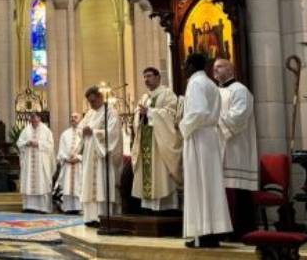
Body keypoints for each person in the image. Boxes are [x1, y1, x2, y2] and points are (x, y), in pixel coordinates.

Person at [180, 53, 232, 248]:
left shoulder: (195, 83)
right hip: (209, 137)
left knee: (199, 183)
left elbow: (198, 112)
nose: (184, 68)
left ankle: (202, 233)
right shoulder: (210, 83)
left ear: (193, 65)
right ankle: (213, 232)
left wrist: (183, 126)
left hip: (199, 136)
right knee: (210, 185)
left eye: (186, 64)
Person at [214, 58, 259, 239]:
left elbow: (238, 116)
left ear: (231, 70)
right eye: (214, 67)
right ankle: (223, 230)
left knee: (237, 190)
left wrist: (213, 120)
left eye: (220, 66)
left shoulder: (240, 90)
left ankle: (242, 230)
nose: (215, 70)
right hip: (218, 147)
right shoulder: (215, 92)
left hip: (236, 148)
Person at [132, 67, 182, 212]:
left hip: (161, 141)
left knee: (161, 173)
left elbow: (172, 114)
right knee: (147, 172)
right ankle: (148, 207)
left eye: (149, 76)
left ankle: (166, 207)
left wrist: (149, 112)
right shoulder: (144, 97)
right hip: (146, 139)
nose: (146, 79)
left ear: (158, 77)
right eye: (144, 77)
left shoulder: (167, 94)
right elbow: (137, 116)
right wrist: (139, 115)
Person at [79, 86, 122, 226]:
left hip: (102, 157)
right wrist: (83, 131)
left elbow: (113, 132)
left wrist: (94, 132)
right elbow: (80, 128)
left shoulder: (111, 112)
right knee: (89, 186)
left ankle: (102, 217)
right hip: (89, 155)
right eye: (89, 102)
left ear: (100, 97)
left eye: (93, 101)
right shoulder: (90, 113)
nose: (91, 105)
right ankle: (90, 217)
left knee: (101, 185)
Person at [16, 112, 54, 213]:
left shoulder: (46, 131)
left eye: (36, 119)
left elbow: (50, 146)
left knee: (41, 183)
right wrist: (26, 143)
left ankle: (42, 207)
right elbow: (19, 143)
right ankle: (28, 206)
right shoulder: (26, 130)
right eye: (32, 119)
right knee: (28, 182)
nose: (34, 121)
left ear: (39, 119)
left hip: (41, 162)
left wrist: (38, 143)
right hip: (29, 162)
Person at [55, 112, 85, 214]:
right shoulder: (65, 134)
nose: (73, 119)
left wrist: (79, 158)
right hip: (67, 165)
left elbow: (87, 149)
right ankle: (68, 208)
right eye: (71, 117)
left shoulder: (84, 133)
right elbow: (61, 149)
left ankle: (79, 208)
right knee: (67, 187)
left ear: (80, 119)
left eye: (75, 117)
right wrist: (66, 158)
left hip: (79, 165)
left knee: (79, 186)